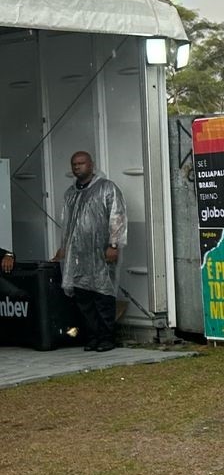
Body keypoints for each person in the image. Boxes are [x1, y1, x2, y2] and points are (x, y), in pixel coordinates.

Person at [53, 151, 127, 352]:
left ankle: (106, 338)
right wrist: (64, 247)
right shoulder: (71, 193)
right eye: (74, 164)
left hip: (101, 253)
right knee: (83, 297)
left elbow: (117, 217)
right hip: (78, 257)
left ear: (91, 165)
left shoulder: (106, 188)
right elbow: (67, 224)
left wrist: (113, 245)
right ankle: (92, 337)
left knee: (103, 296)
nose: (77, 167)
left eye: (81, 163)